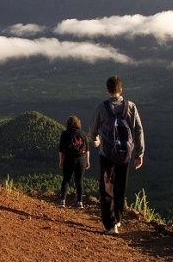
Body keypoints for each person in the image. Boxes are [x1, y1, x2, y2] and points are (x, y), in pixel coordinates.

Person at [89, 76, 145, 235]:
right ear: (121, 90)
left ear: (107, 90)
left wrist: (96, 142)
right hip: (126, 154)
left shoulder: (102, 107)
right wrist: (139, 153)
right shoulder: (131, 107)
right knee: (120, 186)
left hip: (106, 154)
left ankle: (110, 225)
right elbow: (138, 130)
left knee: (107, 188)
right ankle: (118, 219)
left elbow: (92, 131)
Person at [58, 115, 90, 208]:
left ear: (68, 123)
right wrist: (88, 161)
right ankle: (80, 203)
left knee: (66, 179)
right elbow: (87, 149)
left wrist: (61, 161)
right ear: (78, 123)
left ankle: (62, 201)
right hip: (81, 159)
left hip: (68, 159)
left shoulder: (65, 134)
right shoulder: (83, 134)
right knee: (79, 181)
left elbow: (61, 150)